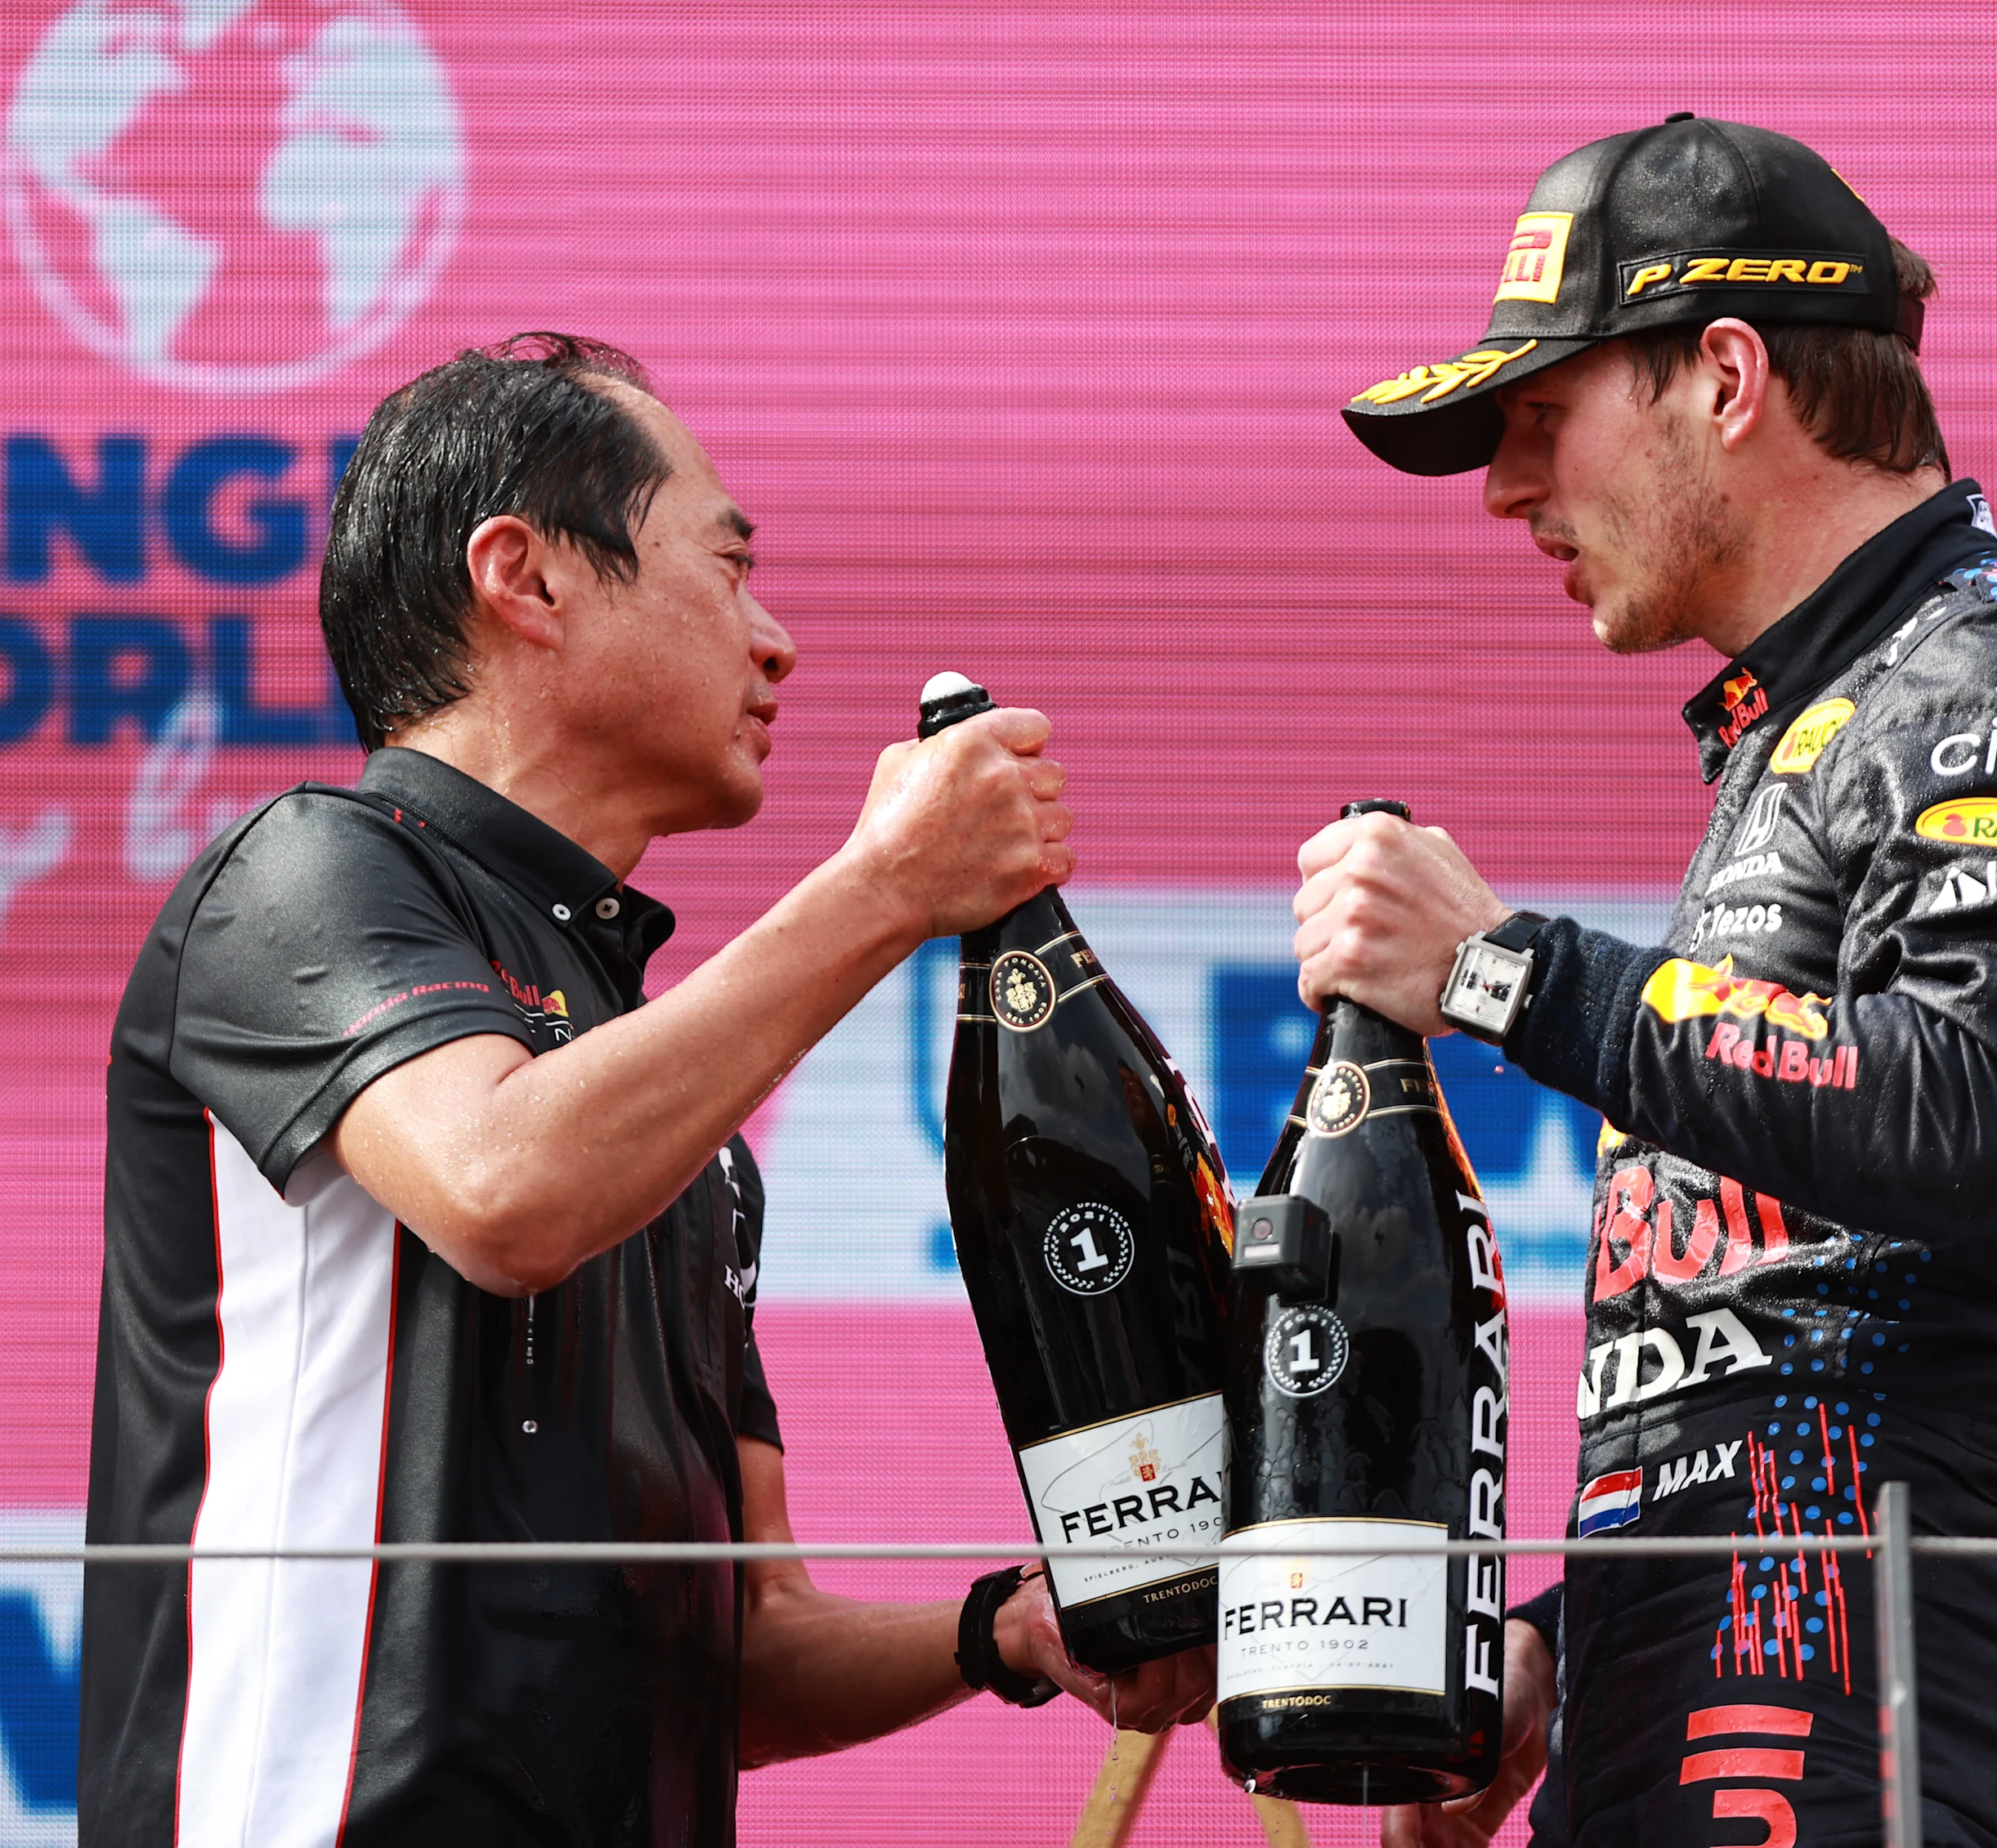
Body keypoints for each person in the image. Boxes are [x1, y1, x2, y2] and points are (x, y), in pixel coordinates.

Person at [78, 333, 1214, 1847]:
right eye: (728, 566)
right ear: (526, 578)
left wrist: (1002, 1631)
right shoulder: (303, 871)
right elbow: (500, 1189)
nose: (777, 641)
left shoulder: (673, 1115)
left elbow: (730, 1654)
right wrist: (884, 888)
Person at [1293, 119, 1997, 1847]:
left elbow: (1989, 1107)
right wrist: (1555, 1646)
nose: (1510, 491)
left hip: (1871, 1660)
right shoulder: (1818, 733)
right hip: (1696, 1664)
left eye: (1536, 420)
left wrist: (1504, 970)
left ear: (1724, 373)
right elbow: (1767, 1341)